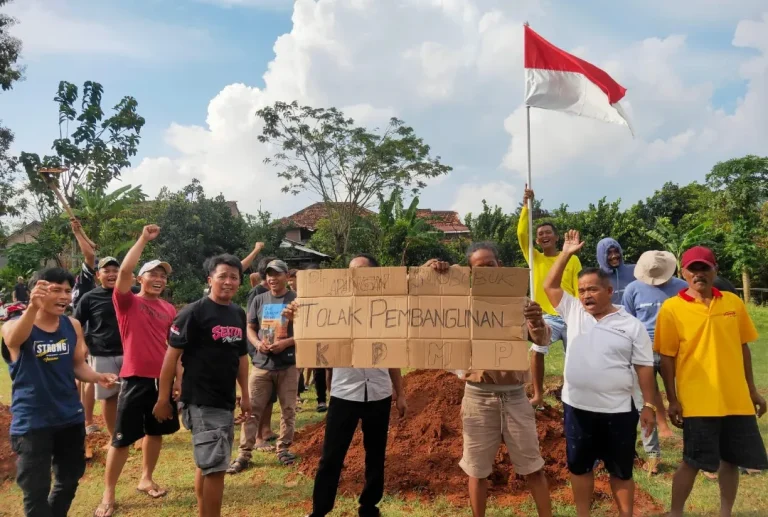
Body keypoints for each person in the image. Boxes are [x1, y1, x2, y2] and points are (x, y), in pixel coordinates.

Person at [430, 244, 553, 517]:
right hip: (478, 397)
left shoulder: (522, 302)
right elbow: (427, 310)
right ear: (472, 273)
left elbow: (543, 340)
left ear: (501, 265)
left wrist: (536, 322)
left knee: (533, 466)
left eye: (491, 264)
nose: (486, 270)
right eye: (479, 267)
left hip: (516, 397)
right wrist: (430, 275)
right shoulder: (463, 302)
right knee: (477, 469)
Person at [543, 230, 657, 517]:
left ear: (608, 292)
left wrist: (650, 406)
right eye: (581, 290)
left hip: (619, 411)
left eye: (592, 289)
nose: (585, 295)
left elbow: (644, 367)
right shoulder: (573, 312)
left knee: (621, 470)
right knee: (579, 467)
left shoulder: (631, 326)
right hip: (578, 408)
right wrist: (566, 253)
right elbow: (549, 285)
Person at [287, 253, 406, 517]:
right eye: (352, 271)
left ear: (376, 275)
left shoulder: (388, 308)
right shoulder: (332, 307)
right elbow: (310, 336)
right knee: (331, 456)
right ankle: (320, 510)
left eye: (363, 271)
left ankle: (369, 505)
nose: (358, 276)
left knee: (375, 455)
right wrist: (295, 317)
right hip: (345, 392)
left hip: (379, 392)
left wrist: (401, 392)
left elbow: (393, 355)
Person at [655, 246, 768, 517]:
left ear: (715, 270)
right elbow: (666, 359)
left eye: (704, 268)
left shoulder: (733, 303)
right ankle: (675, 512)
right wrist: (672, 399)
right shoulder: (671, 309)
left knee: (731, 460)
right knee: (692, 462)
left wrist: (752, 391)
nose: (698, 274)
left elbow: (743, 348)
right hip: (698, 402)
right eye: (692, 269)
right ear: (683, 273)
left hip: (736, 400)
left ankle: (725, 512)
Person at [1, 268, 117, 517]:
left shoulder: (72, 325)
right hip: (33, 421)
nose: (64, 296)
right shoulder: (13, 326)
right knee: (35, 489)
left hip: (69, 417)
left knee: (69, 478)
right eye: (55, 290)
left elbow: (77, 365)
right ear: (37, 292)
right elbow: (13, 340)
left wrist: (97, 377)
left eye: (67, 290)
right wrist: (32, 308)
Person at [153, 254, 252, 517]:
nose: (228, 282)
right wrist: (164, 399)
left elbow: (241, 357)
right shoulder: (193, 313)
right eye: (222, 276)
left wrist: (245, 393)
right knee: (217, 468)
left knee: (207, 464)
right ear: (210, 280)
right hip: (202, 399)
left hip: (224, 398)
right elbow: (170, 357)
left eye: (234, 277)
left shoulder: (237, 312)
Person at [94, 225, 179, 517]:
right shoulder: (127, 301)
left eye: (163, 275)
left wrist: (176, 380)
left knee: (156, 433)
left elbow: (173, 347)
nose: (158, 279)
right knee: (122, 439)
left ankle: (146, 478)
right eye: (152, 274)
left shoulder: (169, 309)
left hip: (162, 381)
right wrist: (143, 238)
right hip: (134, 379)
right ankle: (108, 494)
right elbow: (125, 270)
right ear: (139, 279)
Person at [229, 259, 299, 472]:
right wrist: (258, 343)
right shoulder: (258, 300)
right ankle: (244, 454)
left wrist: (286, 343)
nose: (272, 278)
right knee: (251, 409)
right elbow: (250, 328)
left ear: (287, 277)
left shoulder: (297, 300)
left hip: (288, 364)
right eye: (269, 274)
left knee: (288, 409)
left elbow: (308, 330)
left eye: (277, 274)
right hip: (261, 364)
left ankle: (283, 448)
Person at [622, 251, 686, 476]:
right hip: (642, 353)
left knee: (686, 399)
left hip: (676, 351)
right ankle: (653, 455)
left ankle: (696, 453)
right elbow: (628, 322)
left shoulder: (682, 287)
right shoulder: (633, 289)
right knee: (644, 403)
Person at [517, 187, 581, 355]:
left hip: (569, 314)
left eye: (548, 232)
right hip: (546, 316)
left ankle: (572, 382)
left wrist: (578, 313)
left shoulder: (571, 258)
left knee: (576, 352)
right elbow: (522, 234)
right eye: (540, 234)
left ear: (556, 237)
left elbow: (577, 286)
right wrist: (526, 206)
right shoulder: (534, 258)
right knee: (538, 348)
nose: (544, 235)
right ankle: (537, 383)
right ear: (537, 241)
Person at [74, 257, 129, 448]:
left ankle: (133, 434)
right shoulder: (89, 298)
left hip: (130, 353)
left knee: (131, 396)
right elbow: (76, 323)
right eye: (107, 271)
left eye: (116, 270)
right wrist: (82, 345)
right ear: (98, 275)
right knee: (109, 396)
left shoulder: (133, 294)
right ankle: (115, 437)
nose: (112, 274)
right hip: (102, 353)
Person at [596, 238, 636, 305]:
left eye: (616, 251)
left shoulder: (634, 271)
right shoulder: (596, 277)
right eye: (609, 253)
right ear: (601, 256)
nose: (614, 256)